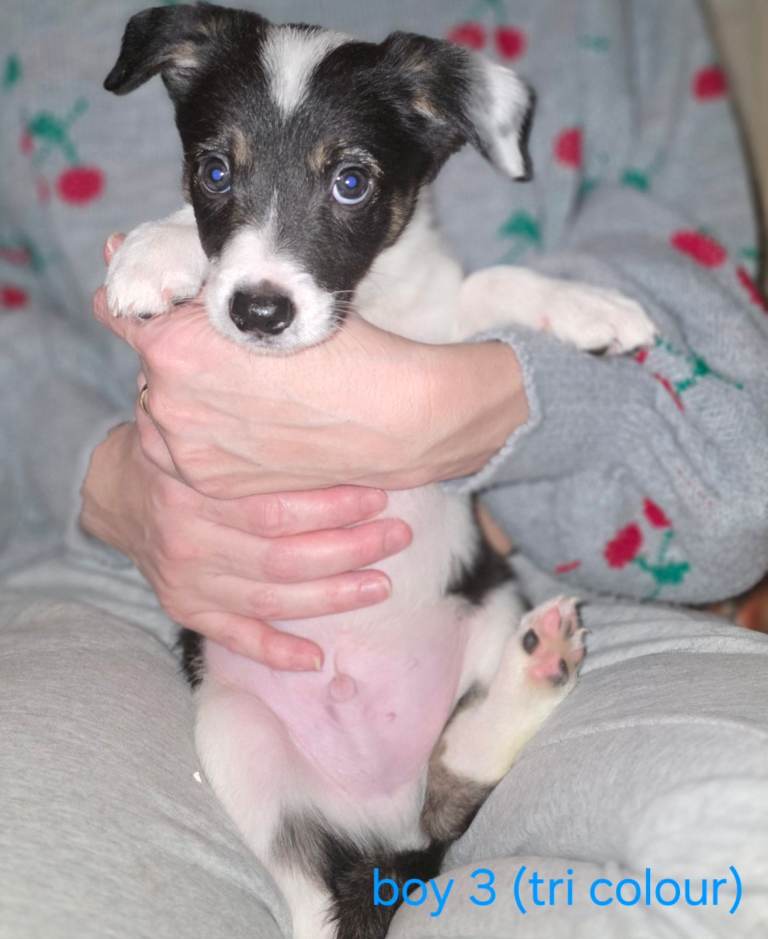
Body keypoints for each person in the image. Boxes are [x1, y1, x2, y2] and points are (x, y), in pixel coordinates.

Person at [2, 1, 767, 937]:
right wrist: (108, 476)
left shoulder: (442, 255)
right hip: (148, 608)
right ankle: (311, 905)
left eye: (350, 182)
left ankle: (457, 773)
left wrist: (495, 383)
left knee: (735, 853)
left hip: (516, 620)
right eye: (218, 173)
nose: (264, 272)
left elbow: (700, 378)